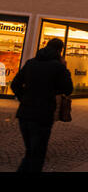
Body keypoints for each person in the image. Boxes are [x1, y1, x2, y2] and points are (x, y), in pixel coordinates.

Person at [11, 38, 73, 173]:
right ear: (59, 51)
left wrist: (24, 98)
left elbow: (14, 85)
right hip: (42, 115)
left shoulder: (31, 63)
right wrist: (64, 69)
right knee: (37, 156)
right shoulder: (58, 66)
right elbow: (68, 89)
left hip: (24, 114)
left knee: (30, 153)